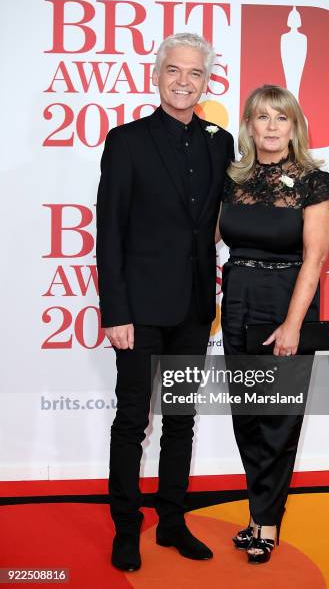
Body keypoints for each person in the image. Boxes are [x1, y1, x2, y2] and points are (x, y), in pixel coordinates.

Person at [96, 32, 234, 571]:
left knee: (181, 419)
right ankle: (126, 528)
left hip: (195, 310)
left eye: (195, 73)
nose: (184, 81)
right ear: (157, 76)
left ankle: (173, 522)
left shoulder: (220, 143)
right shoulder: (126, 140)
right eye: (174, 70)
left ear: (206, 81)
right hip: (140, 311)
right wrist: (116, 312)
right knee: (133, 420)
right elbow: (111, 231)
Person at [218, 84, 329, 564]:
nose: (271, 127)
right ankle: (256, 515)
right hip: (239, 300)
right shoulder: (231, 179)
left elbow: (314, 259)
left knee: (280, 418)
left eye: (280, 118)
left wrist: (292, 325)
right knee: (247, 415)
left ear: (295, 125)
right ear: (248, 125)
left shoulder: (315, 181)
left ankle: (267, 522)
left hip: (288, 300)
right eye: (261, 117)